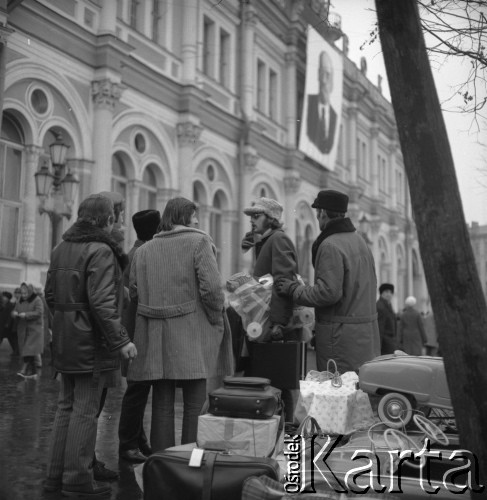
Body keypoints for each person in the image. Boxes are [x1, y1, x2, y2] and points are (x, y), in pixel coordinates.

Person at [44, 194, 136, 498]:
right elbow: (102, 302)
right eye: (117, 218)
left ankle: (54, 478)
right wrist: (121, 339)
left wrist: (65, 324)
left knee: (65, 408)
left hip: (66, 340)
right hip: (91, 342)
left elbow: (50, 296)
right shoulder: (102, 251)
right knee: (84, 410)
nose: (119, 222)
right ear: (108, 220)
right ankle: (77, 483)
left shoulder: (61, 248)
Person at [128, 197, 232, 451]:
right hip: (192, 334)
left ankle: (163, 462)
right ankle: (189, 463)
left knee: (161, 404)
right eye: (195, 217)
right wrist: (216, 318)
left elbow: (133, 292)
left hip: (155, 337)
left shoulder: (142, 251)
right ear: (184, 218)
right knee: (194, 404)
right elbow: (212, 290)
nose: (197, 222)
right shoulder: (199, 242)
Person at [275, 189, 380, 374]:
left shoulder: (330, 244)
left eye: (317, 213)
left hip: (340, 337)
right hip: (364, 335)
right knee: (358, 393)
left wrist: (294, 289)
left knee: (336, 392)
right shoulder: (360, 241)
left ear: (323, 213)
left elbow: (327, 293)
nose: (317, 217)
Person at [242, 197, 300, 421]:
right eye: (251, 217)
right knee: (272, 381)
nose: (252, 221)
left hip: (273, 324)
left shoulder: (279, 239)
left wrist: (278, 323)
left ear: (272, 219)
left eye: (257, 216)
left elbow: (283, 281)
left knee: (279, 383)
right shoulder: (268, 240)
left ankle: (285, 433)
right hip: (264, 321)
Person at [118, 209, 161, 463]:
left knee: (139, 388)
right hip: (136, 331)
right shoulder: (143, 254)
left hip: (134, 330)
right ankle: (127, 445)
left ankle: (139, 440)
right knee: (136, 390)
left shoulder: (136, 252)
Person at [307, 51, 337, 155]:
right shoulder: (308, 103)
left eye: (328, 75)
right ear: (317, 75)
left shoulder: (335, 116)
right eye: (321, 73)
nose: (324, 81)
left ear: (333, 81)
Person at [12, 283, 44, 379]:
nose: (24, 295)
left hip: (34, 330)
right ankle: (33, 373)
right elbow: (15, 309)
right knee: (28, 351)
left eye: (26, 293)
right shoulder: (19, 300)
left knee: (28, 350)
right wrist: (14, 313)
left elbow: (39, 312)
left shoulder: (37, 299)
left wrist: (26, 315)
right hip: (23, 329)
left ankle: (24, 369)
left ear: (30, 292)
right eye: (22, 293)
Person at [376, 283, 398, 355]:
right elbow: (380, 327)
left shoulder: (388, 305)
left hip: (390, 342)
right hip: (385, 344)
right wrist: (379, 346)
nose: (389, 294)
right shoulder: (380, 306)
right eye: (386, 292)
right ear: (381, 293)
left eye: (391, 292)